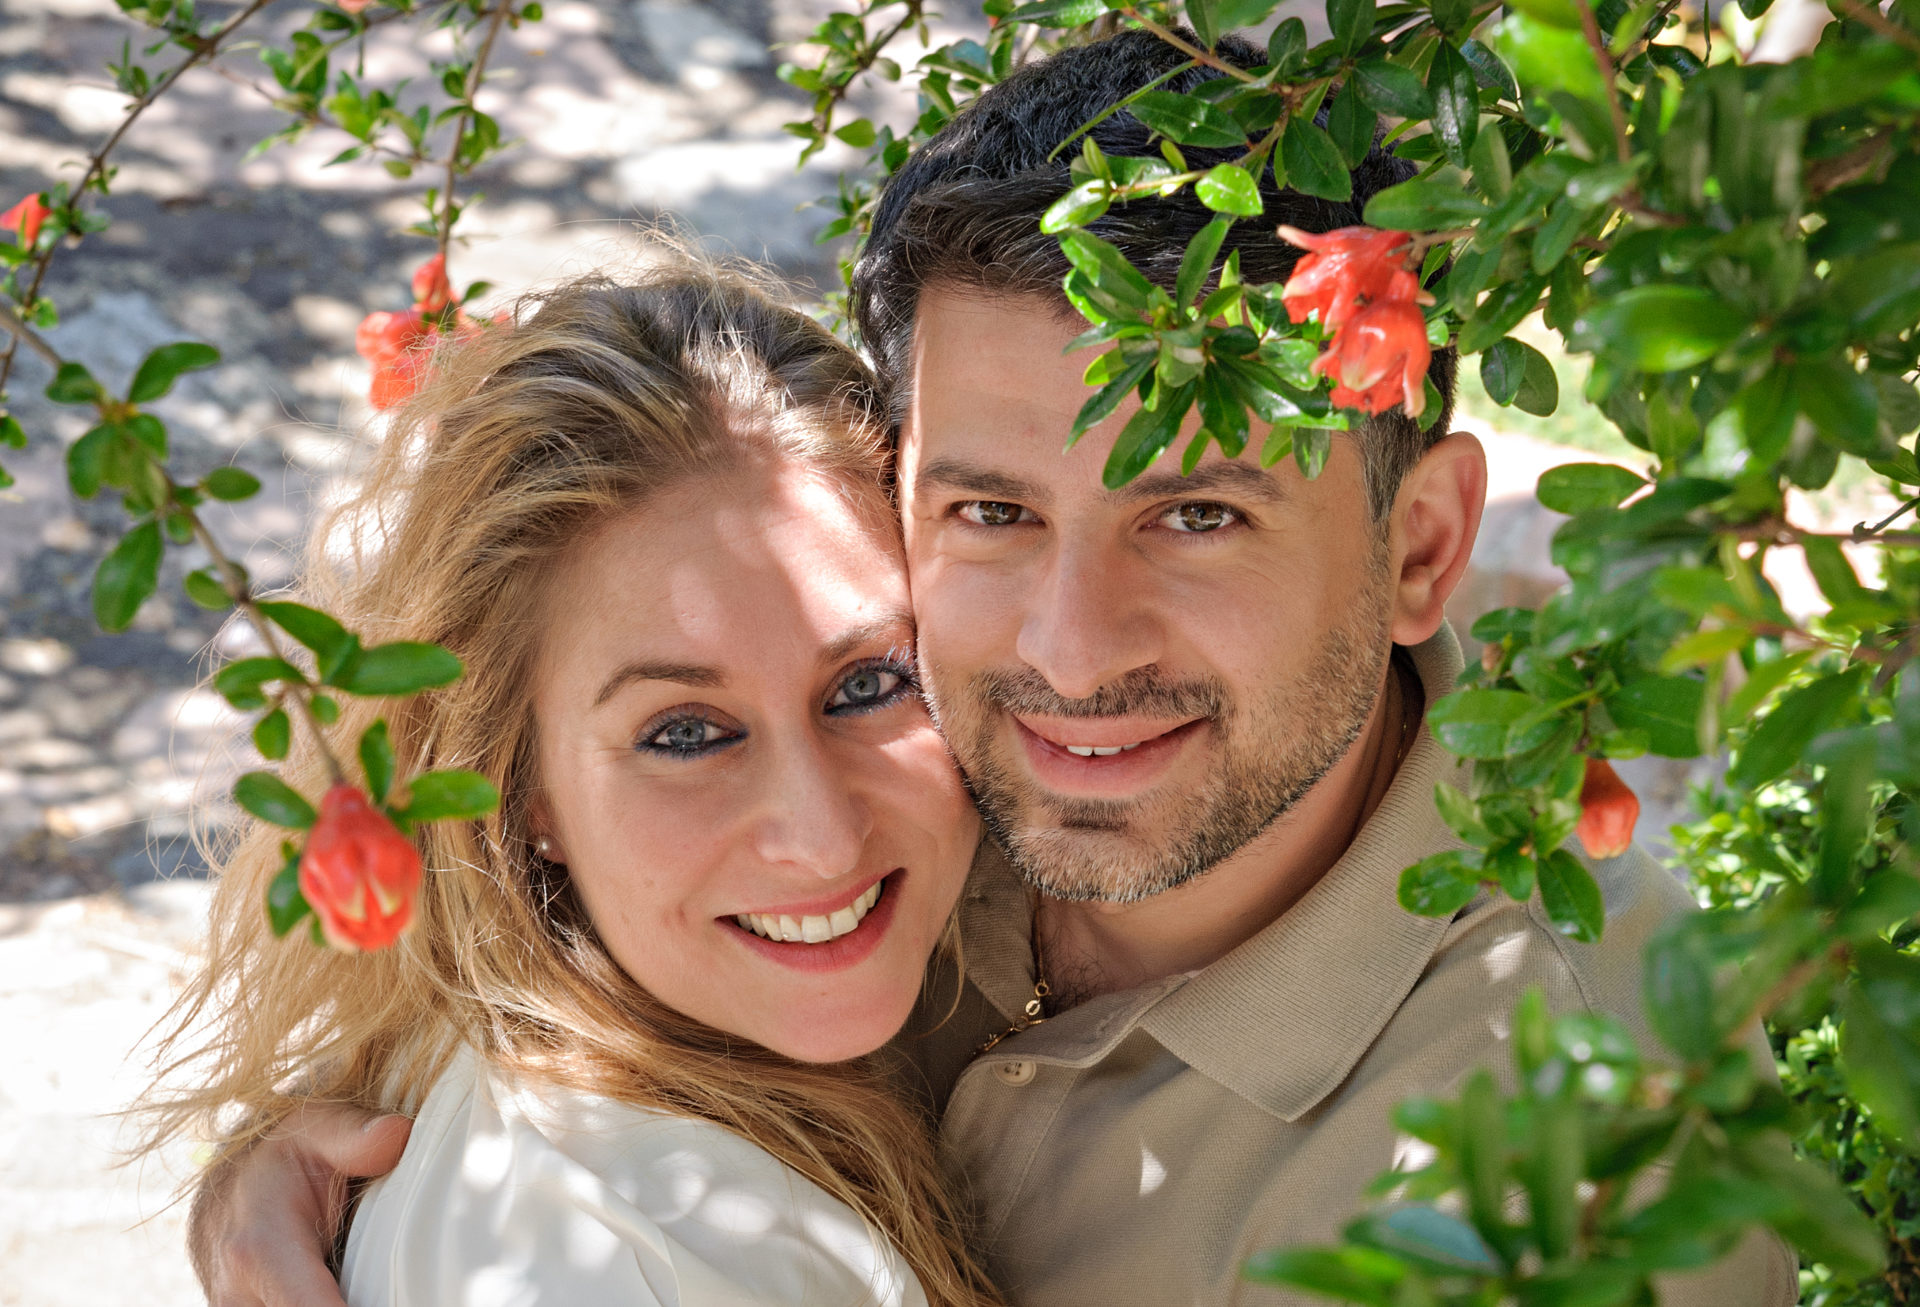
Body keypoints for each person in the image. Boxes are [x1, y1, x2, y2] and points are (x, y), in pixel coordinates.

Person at [187, 29, 1796, 1307]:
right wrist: (325, 1175)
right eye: (993, 512)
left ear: (1421, 546)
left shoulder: (1581, 1143)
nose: (1070, 652)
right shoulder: (914, 807)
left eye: (1199, 514)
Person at [142, 262, 1004, 1307]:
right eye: (686, 733)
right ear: (522, 792)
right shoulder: (645, 1251)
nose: (822, 836)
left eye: (869, 683)